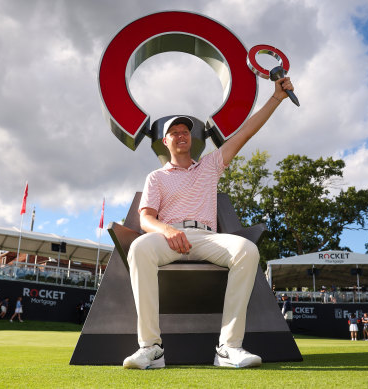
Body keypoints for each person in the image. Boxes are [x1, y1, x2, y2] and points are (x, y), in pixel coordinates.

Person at [122, 77, 294, 370]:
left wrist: (276, 98)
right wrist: (168, 229)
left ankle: (228, 348)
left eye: (185, 131)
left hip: (207, 237)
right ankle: (151, 348)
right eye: (174, 132)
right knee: (139, 248)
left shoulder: (210, 165)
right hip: (169, 237)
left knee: (247, 251)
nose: (180, 135)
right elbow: (146, 218)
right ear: (166, 142)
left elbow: (246, 133)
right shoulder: (156, 177)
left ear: (192, 138)